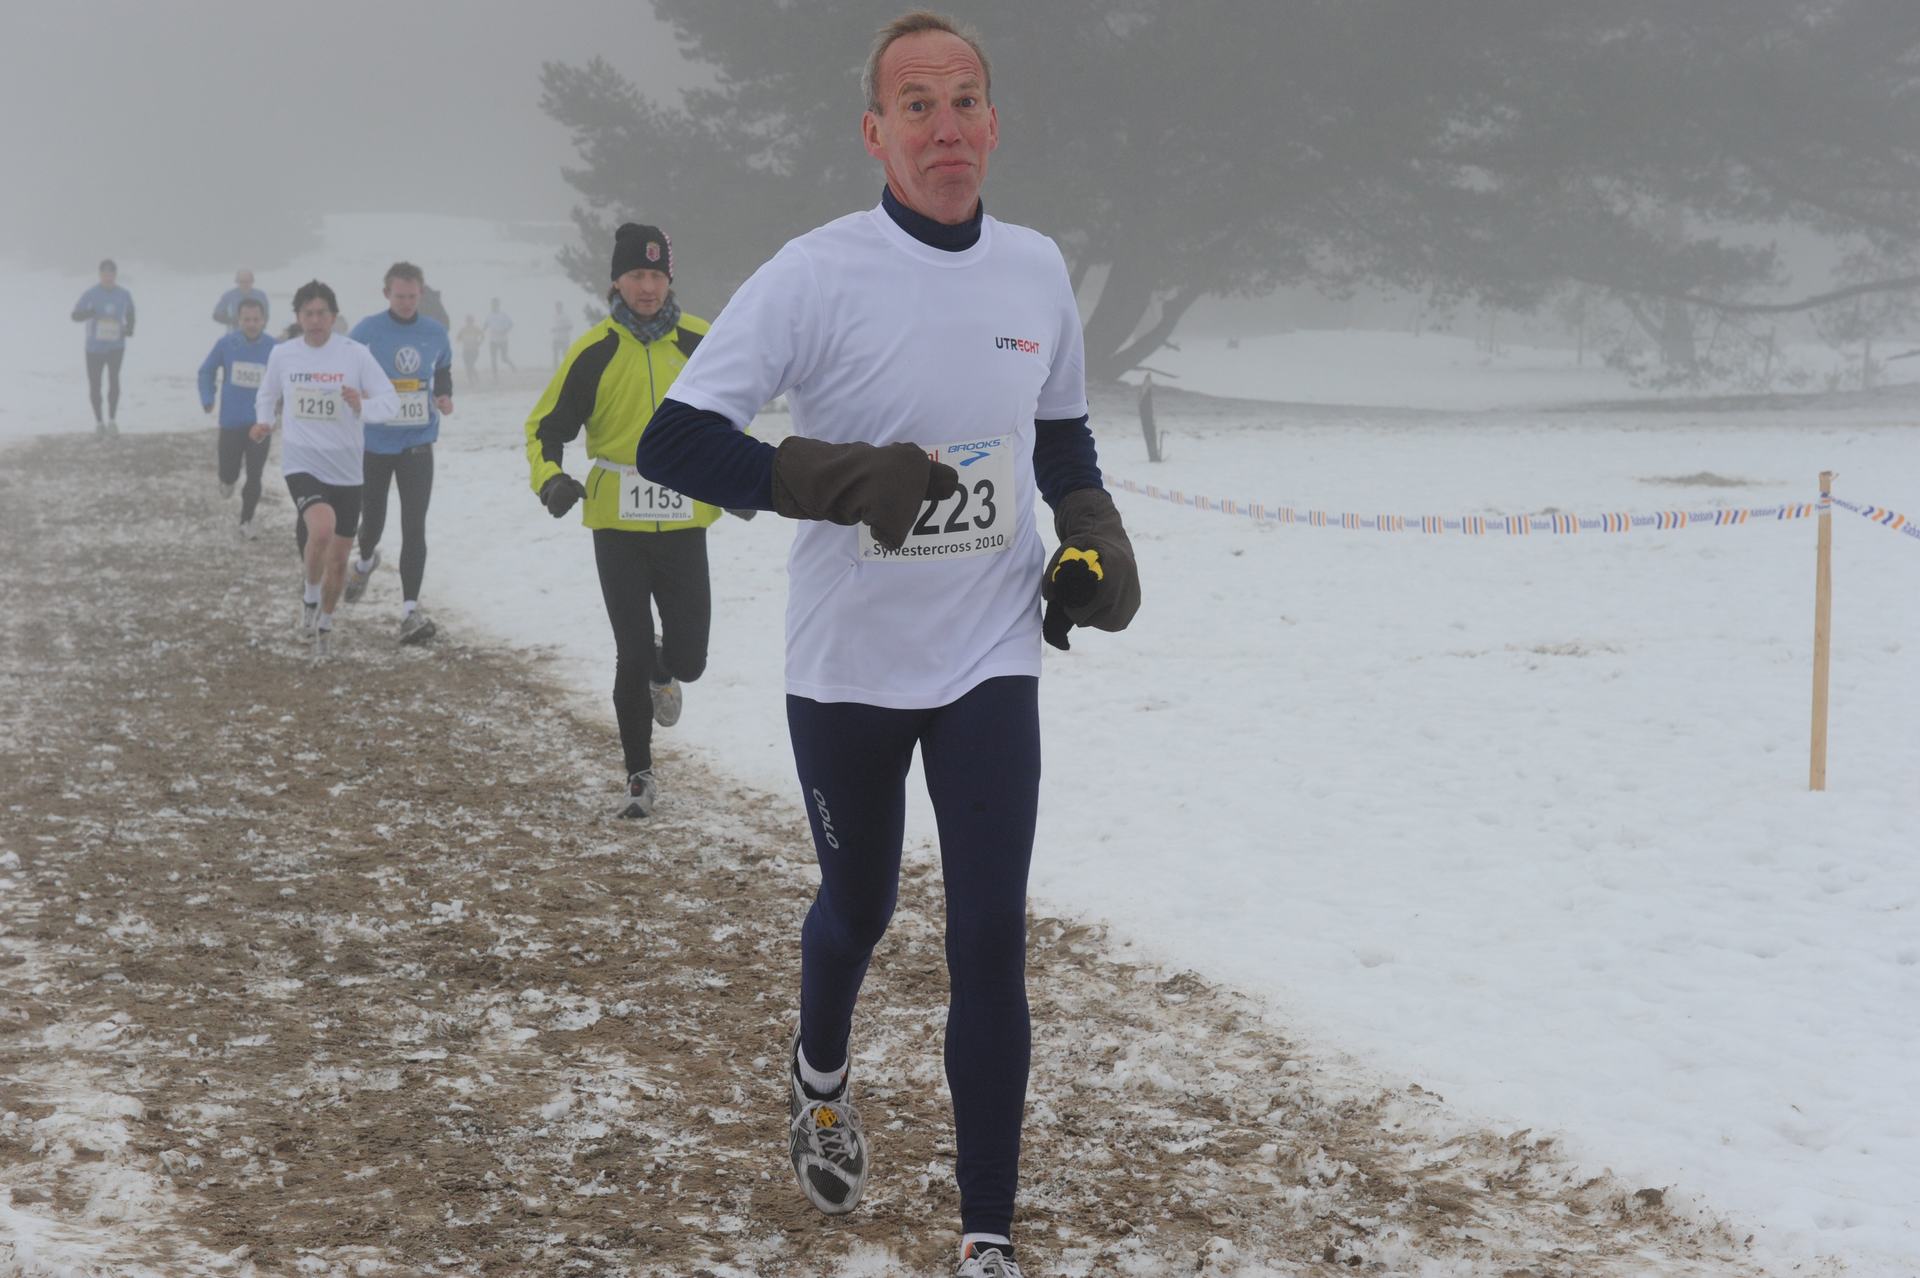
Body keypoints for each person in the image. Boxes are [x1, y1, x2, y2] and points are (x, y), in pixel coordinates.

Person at [633, 14, 1140, 1276]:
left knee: (989, 939)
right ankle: (819, 1076)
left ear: (994, 124)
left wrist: (1091, 528)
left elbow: (1060, 432)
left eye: (965, 101)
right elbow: (675, 442)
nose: (945, 126)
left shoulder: (1036, 268)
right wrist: (838, 477)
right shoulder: (816, 275)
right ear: (875, 132)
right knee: (858, 908)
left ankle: (987, 1240)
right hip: (848, 666)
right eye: (917, 105)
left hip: (988, 654)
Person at [524, 223, 718, 819]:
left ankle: (666, 666)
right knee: (629, 653)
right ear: (616, 281)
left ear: (669, 280)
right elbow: (544, 429)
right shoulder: (594, 351)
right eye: (636, 274)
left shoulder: (701, 341)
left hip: (684, 521)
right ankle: (639, 774)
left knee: (689, 660)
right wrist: (551, 479)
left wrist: (738, 476)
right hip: (616, 527)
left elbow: (731, 415)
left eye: (657, 275)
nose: (647, 287)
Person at [251, 280, 399, 658]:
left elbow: (390, 401)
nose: (315, 320)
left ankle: (326, 623)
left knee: (339, 560)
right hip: (302, 460)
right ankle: (309, 598)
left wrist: (362, 405)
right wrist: (265, 421)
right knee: (320, 528)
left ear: (333, 317)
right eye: (308, 314)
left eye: (322, 314)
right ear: (298, 317)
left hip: (347, 468)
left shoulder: (355, 355)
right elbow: (267, 393)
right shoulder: (284, 354)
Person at [345, 262, 453, 644]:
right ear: (386, 294)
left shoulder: (435, 332)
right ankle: (364, 561)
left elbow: (443, 368)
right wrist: (357, 394)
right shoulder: (367, 331)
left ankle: (410, 610)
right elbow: (346, 368)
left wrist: (444, 395)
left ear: (420, 294)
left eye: (412, 296)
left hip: (418, 441)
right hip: (376, 442)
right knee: (372, 521)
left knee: (414, 524)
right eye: (399, 296)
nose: (406, 302)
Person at [196, 296, 277, 536]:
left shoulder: (275, 348)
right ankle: (227, 479)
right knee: (228, 472)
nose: (251, 324)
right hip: (231, 422)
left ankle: (246, 520)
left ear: (263, 320)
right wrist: (208, 397)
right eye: (246, 319)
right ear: (239, 320)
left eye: (256, 319)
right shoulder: (227, 344)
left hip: (260, 423)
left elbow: (289, 377)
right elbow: (206, 371)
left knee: (255, 474)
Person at [71, 258, 135, 438]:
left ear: (115, 275)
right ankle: (99, 422)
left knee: (114, 381)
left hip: (116, 346)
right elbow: (75, 315)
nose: (108, 277)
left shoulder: (124, 294)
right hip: (94, 348)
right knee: (95, 384)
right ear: (100, 275)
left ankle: (112, 421)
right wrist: (89, 313)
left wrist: (130, 328)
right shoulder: (91, 294)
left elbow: (131, 314)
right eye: (105, 273)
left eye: (111, 273)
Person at [485, 298, 514, 379]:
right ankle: (495, 375)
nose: (494, 306)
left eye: (495, 304)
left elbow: (511, 324)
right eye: (492, 304)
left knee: (504, 358)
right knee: (493, 358)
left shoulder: (503, 315)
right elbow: (485, 325)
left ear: (498, 305)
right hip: (493, 340)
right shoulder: (489, 315)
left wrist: (505, 330)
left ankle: (512, 365)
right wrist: (480, 333)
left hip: (503, 340)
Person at [456, 314, 485, 382]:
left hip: (474, 350)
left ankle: (473, 379)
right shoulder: (463, 329)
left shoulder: (475, 329)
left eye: (470, 321)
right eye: (468, 321)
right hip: (466, 350)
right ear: (466, 321)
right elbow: (458, 338)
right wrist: (461, 339)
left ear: (472, 321)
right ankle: (472, 380)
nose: (469, 322)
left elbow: (483, 336)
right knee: (468, 366)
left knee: (470, 365)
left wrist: (479, 343)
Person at [550, 300, 571, 369]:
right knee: (555, 354)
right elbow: (553, 326)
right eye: (556, 307)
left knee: (565, 354)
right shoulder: (554, 316)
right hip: (556, 338)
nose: (557, 308)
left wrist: (560, 328)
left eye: (559, 306)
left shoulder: (566, 316)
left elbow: (570, 326)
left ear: (561, 307)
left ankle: (566, 368)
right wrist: (553, 330)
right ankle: (555, 369)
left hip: (564, 339)